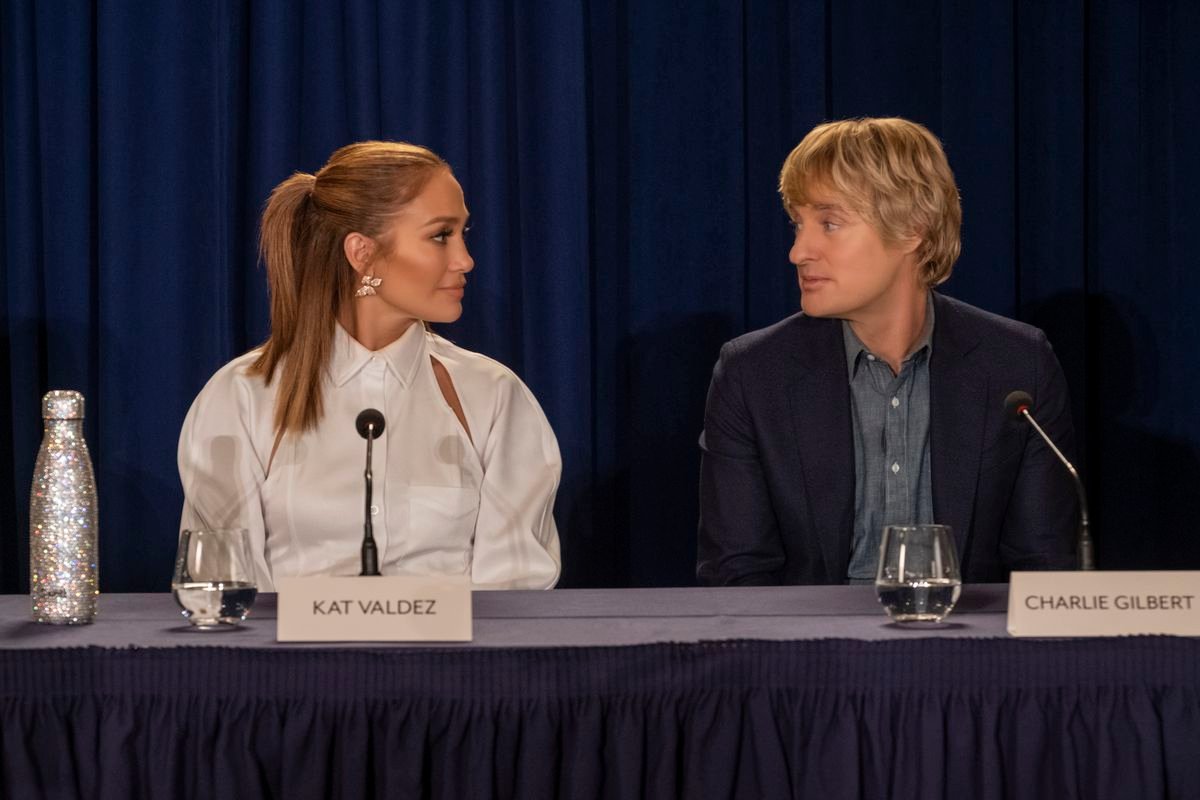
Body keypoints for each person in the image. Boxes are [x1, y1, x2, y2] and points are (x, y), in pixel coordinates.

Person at [697, 117, 1078, 585]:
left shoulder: (1018, 365)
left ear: (912, 228)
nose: (798, 251)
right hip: (809, 652)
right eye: (798, 224)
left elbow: (1046, 576)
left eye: (829, 223)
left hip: (969, 647)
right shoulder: (752, 375)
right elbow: (737, 580)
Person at [178, 142, 561, 591]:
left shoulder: (493, 395)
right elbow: (225, 588)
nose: (465, 260)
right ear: (362, 254)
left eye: (463, 234)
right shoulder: (241, 395)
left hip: (454, 662)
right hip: (286, 662)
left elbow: (515, 593)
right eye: (441, 235)